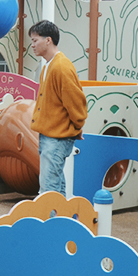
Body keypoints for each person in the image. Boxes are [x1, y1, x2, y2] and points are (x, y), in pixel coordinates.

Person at [28, 20, 88, 195]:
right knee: (55, 184)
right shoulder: (50, 65)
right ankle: (61, 220)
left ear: (48, 40)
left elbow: (76, 101)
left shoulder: (61, 66)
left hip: (56, 137)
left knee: (48, 189)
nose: (32, 45)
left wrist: (77, 125)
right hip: (51, 135)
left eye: (35, 40)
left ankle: (52, 221)